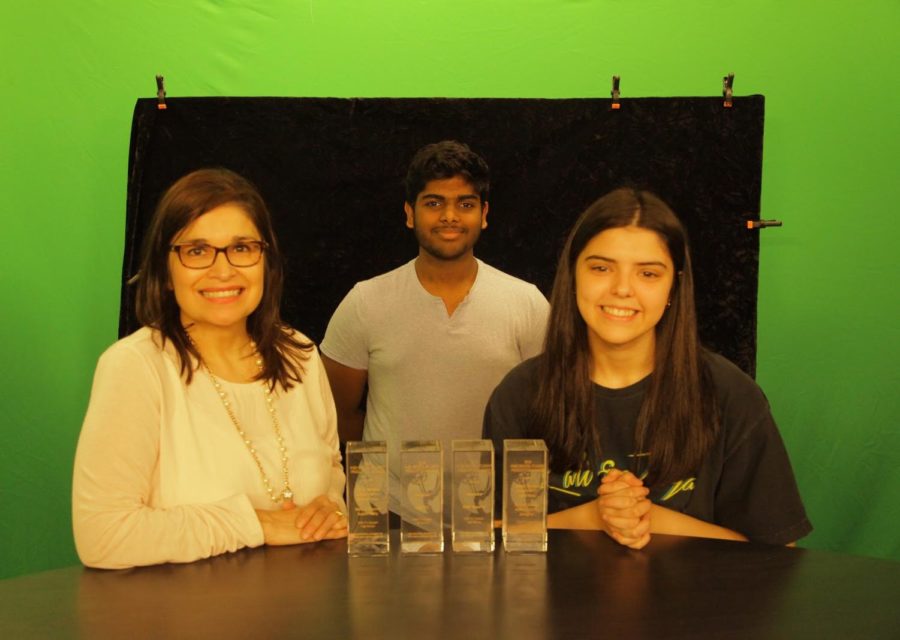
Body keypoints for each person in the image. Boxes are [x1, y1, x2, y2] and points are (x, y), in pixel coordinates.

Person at [484, 187, 811, 548]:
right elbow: (487, 539)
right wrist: (593, 516)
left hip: (702, 605)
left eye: (649, 274)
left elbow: (777, 552)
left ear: (674, 287)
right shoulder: (519, 394)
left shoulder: (730, 394)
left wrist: (648, 517)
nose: (623, 289)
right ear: (573, 274)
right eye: (601, 268)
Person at [73, 168, 347, 569]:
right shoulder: (134, 367)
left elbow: (331, 478)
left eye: (242, 248)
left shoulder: (300, 355)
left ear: (265, 260)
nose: (223, 270)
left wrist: (327, 509)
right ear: (165, 271)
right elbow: (104, 536)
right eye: (197, 251)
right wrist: (257, 524)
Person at [321, 140, 549, 515]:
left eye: (465, 204)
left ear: (484, 213)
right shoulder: (365, 302)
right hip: (390, 513)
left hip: (492, 513)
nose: (449, 216)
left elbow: (550, 411)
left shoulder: (526, 303)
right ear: (410, 213)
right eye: (434, 203)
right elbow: (339, 414)